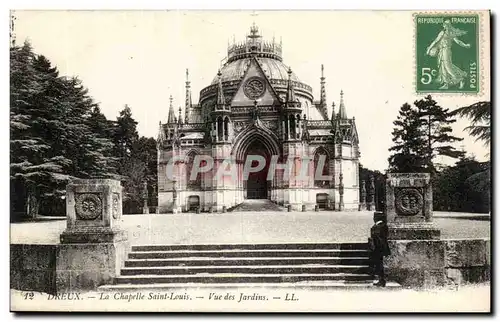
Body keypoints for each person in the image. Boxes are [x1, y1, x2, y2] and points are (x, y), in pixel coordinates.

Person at [426, 20, 471, 89]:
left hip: (446, 50)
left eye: (447, 25)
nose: (445, 26)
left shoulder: (451, 33)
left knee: (447, 66)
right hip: (441, 51)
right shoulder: (442, 33)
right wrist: (429, 49)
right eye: (445, 25)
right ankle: (446, 84)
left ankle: (460, 79)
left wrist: (465, 45)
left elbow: (458, 42)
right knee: (443, 67)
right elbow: (436, 41)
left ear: (449, 26)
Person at [368, 212, 391, 287]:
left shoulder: (379, 226)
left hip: (378, 249)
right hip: (381, 248)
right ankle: (381, 280)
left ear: (376, 218)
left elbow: (379, 238)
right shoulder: (381, 226)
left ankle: (382, 280)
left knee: (380, 265)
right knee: (379, 264)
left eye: (374, 217)